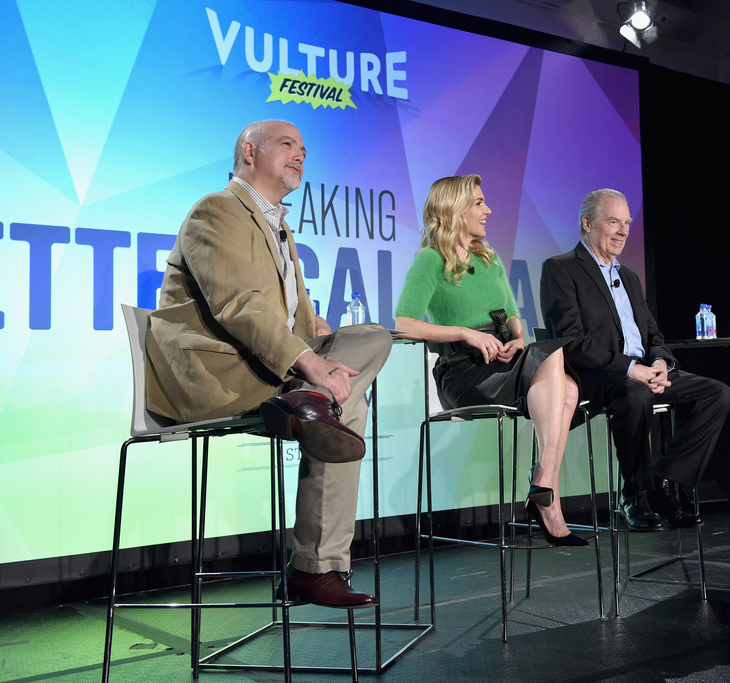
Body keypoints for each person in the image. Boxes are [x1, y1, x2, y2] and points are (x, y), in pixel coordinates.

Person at [146, 120, 393, 606]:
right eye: (287, 145)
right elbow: (238, 304)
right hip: (220, 376)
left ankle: (315, 567)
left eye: (304, 148)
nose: (301, 155)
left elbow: (286, 314)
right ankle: (313, 568)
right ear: (249, 150)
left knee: (371, 340)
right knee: (343, 403)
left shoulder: (278, 225)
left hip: (268, 372)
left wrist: (314, 330)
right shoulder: (215, 210)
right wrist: (309, 360)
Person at [394, 174, 587, 547]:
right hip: (464, 372)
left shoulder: (488, 257)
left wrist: (516, 340)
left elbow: (514, 318)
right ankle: (546, 491)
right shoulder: (431, 260)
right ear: (454, 208)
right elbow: (404, 324)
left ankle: (546, 487)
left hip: (503, 361)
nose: (488, 210)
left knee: (567, 384)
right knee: (561, 373)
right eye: (479, 203)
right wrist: (465, 333)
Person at [540, 189, 730, 531]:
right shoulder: (561, 269)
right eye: (613, 221)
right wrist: (633, 369)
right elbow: (571, 342)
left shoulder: (628, 276)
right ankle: (635, 493)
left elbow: (652, 336)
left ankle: (664, 483)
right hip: (595, 375)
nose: (624, 231)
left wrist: (661, 364)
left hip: (641, 371)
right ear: (588, 223)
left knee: (717, 393)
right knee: (636, 392)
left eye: (627, 223)